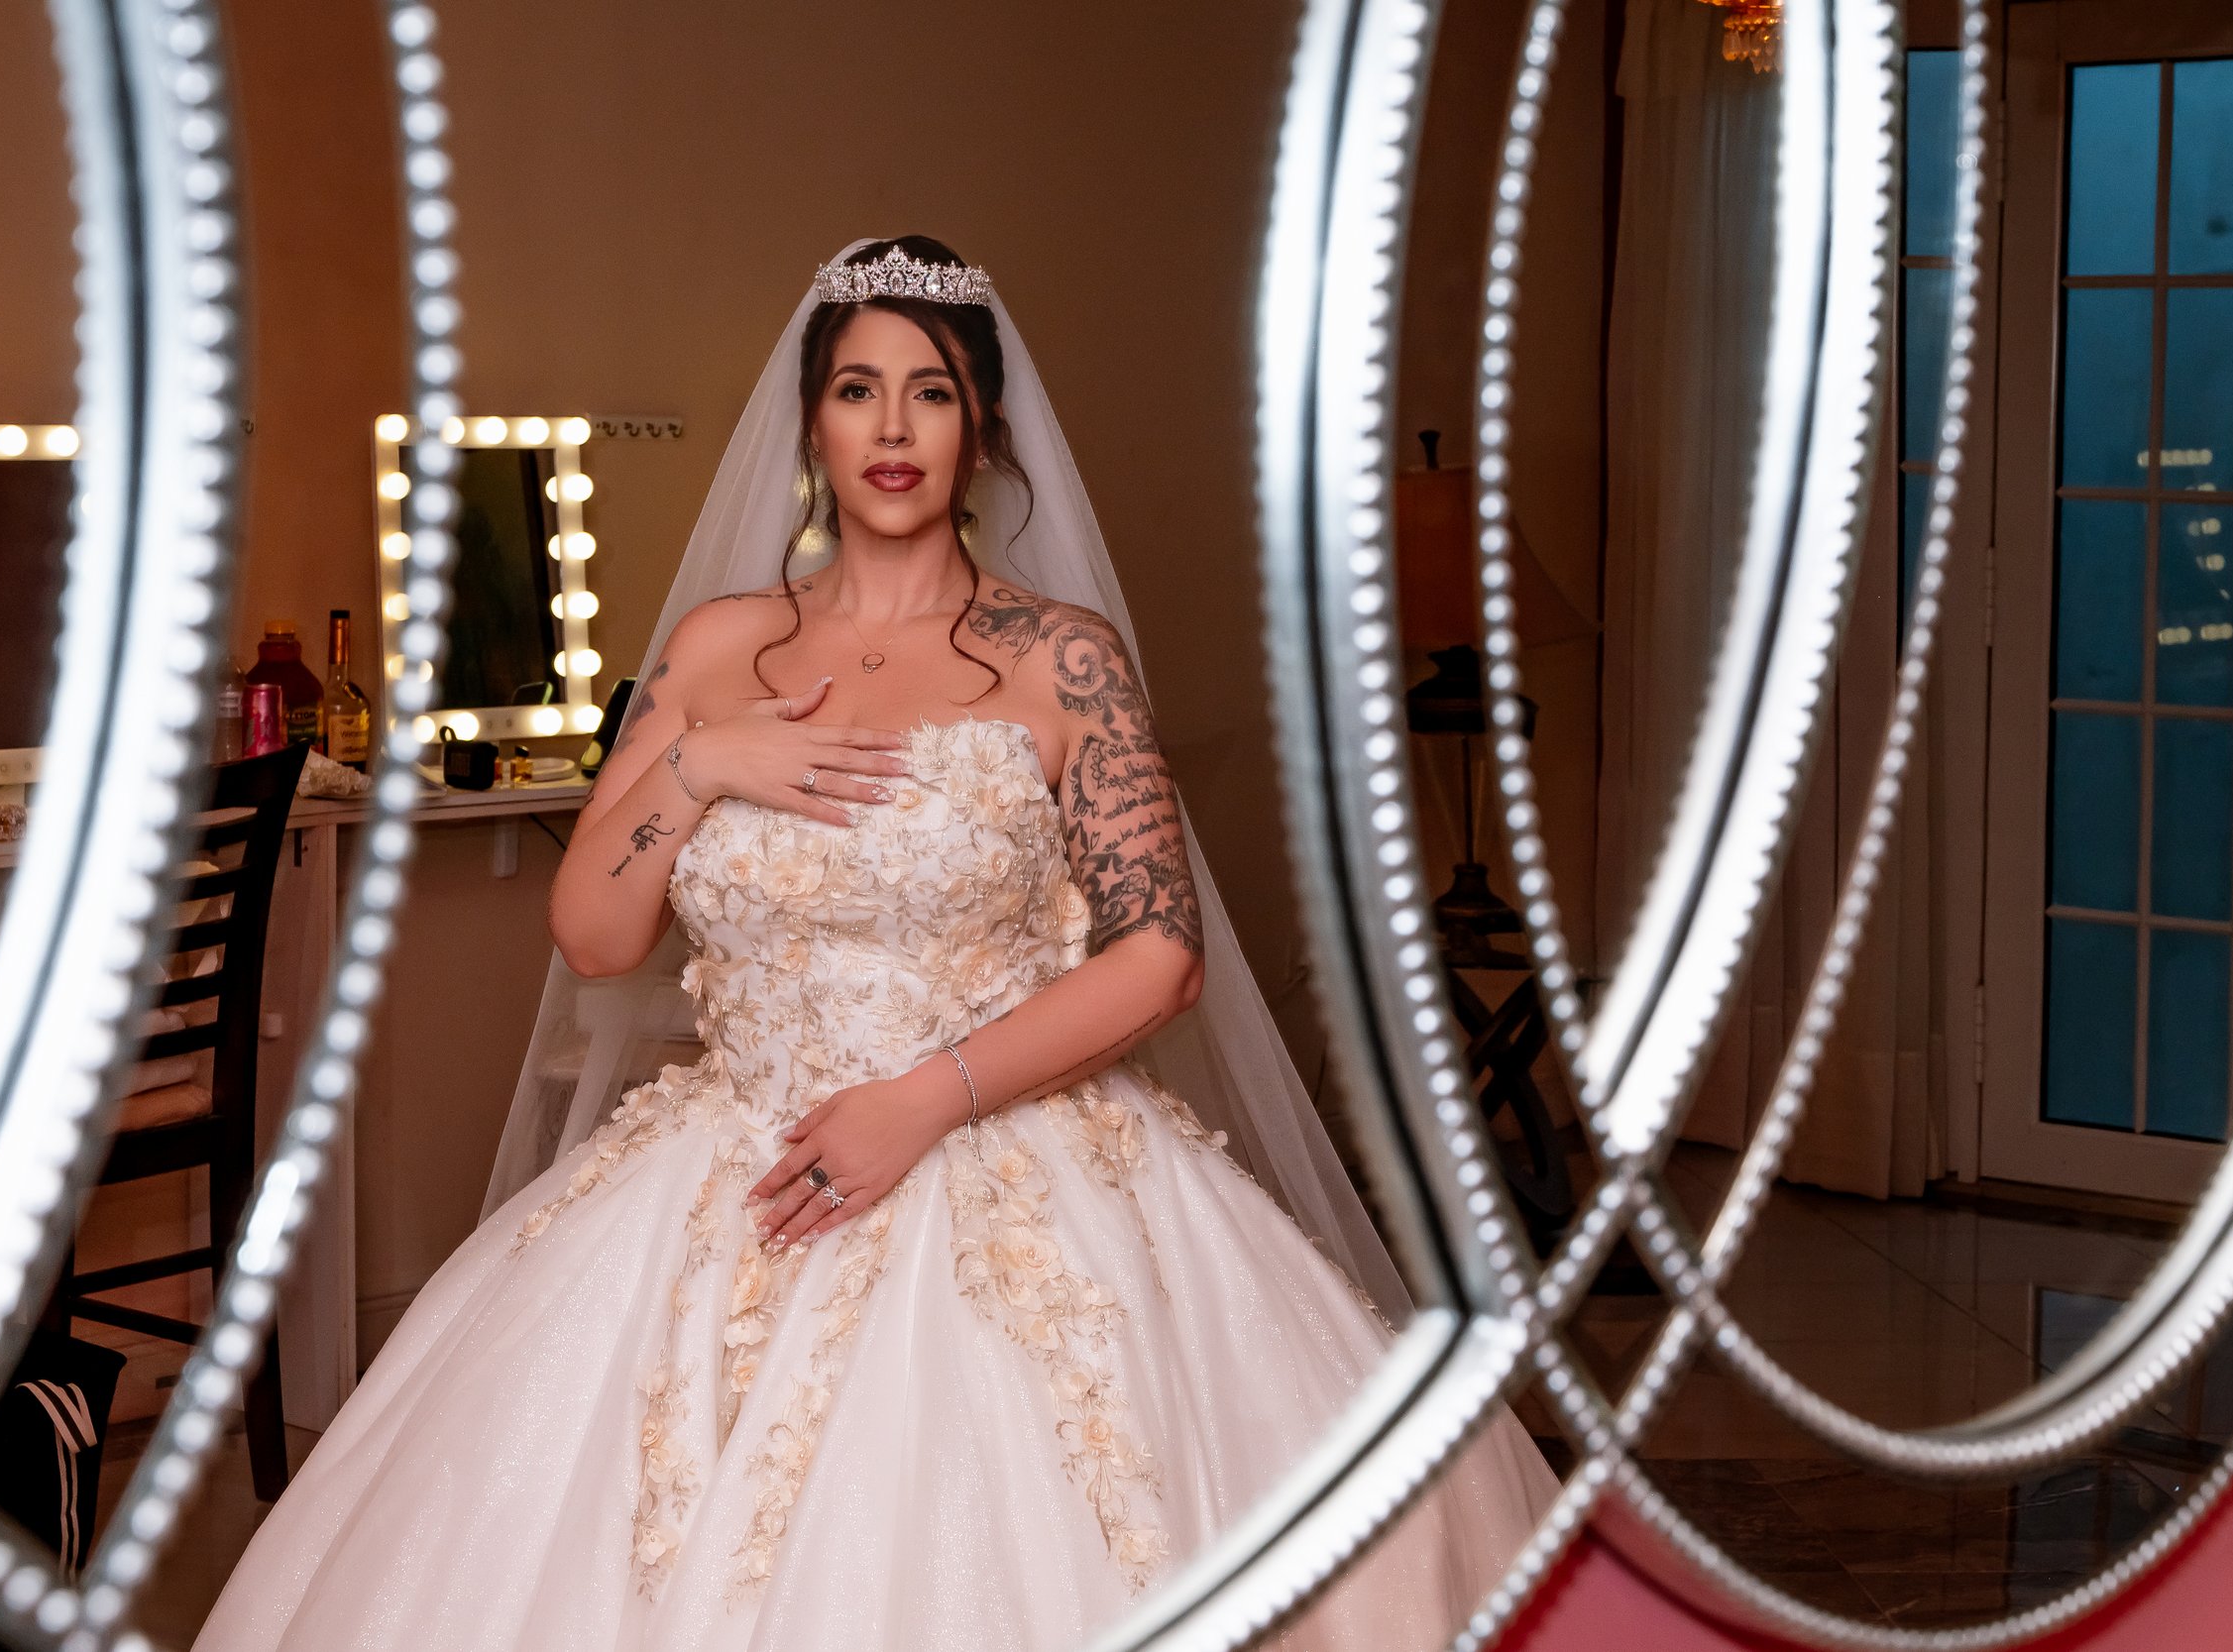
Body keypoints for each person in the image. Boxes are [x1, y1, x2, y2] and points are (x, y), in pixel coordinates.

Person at [192, 236, 1555, 1652]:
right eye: (857, 389)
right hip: (734, 1161)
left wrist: (922, 1103)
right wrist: (703, 762)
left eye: (933, 392)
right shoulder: (722, 651)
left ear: (987, 428)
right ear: (811, 422)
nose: (893, 429)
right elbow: (596, 934)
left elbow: (1162, 956)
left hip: (1006, 1154)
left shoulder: (1059, 657)